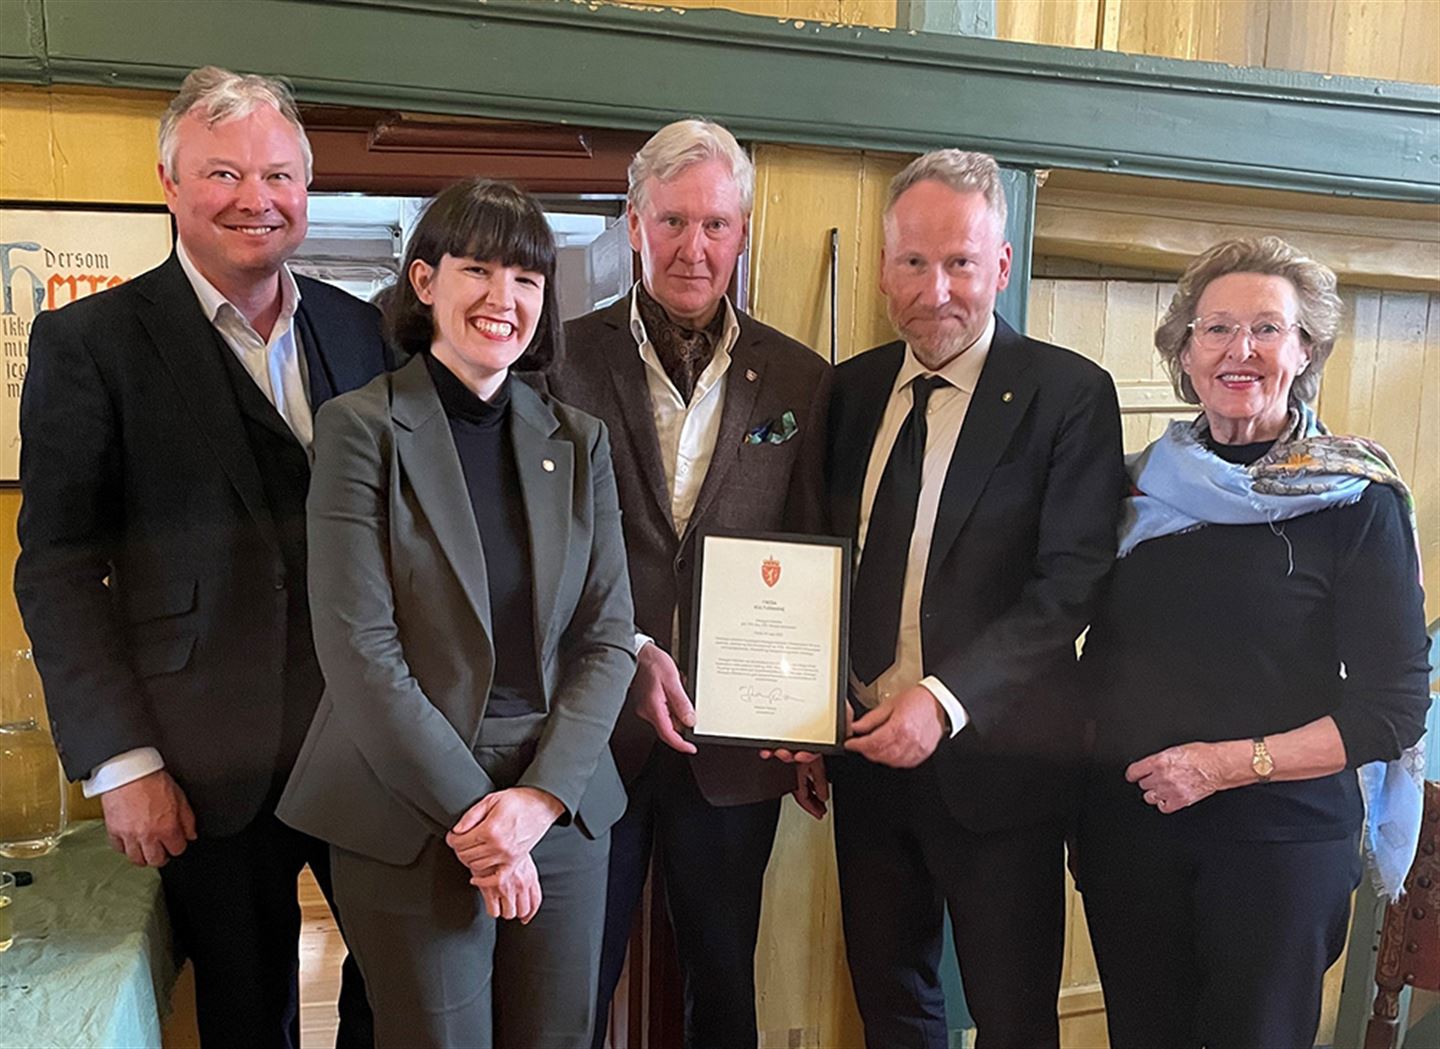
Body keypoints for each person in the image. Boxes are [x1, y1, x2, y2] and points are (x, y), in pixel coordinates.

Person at [14, 66, 387, 1047]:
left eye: (278, 175)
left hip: (368, 752)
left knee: (398, 997)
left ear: (307, 191)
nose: (255, 199)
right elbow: (56, 565)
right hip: (202, 765)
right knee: (242, 1019)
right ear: (170, 183)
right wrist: (121, 761)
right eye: (223, 173)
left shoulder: (366, 330)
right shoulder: (89, 342)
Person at [276, 178, 636, 1049]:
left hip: (559, 795)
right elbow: (360, 651)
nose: (502, 299)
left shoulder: (578, 440)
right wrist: (484, 823)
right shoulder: (358, 427)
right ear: (426, 280)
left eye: (526, 278)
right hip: (410, 800)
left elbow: (608, 638)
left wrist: (538, 802)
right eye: (477, 268)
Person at [1075, 236, 1431, 1048]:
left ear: (1304, 349)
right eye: (1216, 328)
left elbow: (1393, 708)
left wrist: (1221, 764)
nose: (1241, 350)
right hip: (1131, 833)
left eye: (1268, 328)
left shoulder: (1354, 499)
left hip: (1281, 847)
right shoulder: (1132, 486)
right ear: (1185, 351)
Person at [820, 149, 1125, 1048]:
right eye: (914, 262)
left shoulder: (1068, 393)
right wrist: (809, 700)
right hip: (865, 762)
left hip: (1002, 770)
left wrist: (943, 701)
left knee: (1013, 1016)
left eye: (960, 262)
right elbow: (829, 558)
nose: (936, 288)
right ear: (884, 268)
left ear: (999, 264)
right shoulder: (851, 389)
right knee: (891, 1002)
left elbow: (1069, 584)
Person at [546, 119, 830, 1048]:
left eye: (714, 225)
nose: (693, 247)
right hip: (593, 731)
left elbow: (812, 546)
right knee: (575, 978)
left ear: (741, 232)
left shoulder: (800, 377)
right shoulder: (558, 358)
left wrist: (803, 718)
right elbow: (544, 546)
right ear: (634, 225)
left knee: (723, 980)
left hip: (735, 740)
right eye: (672, 221)